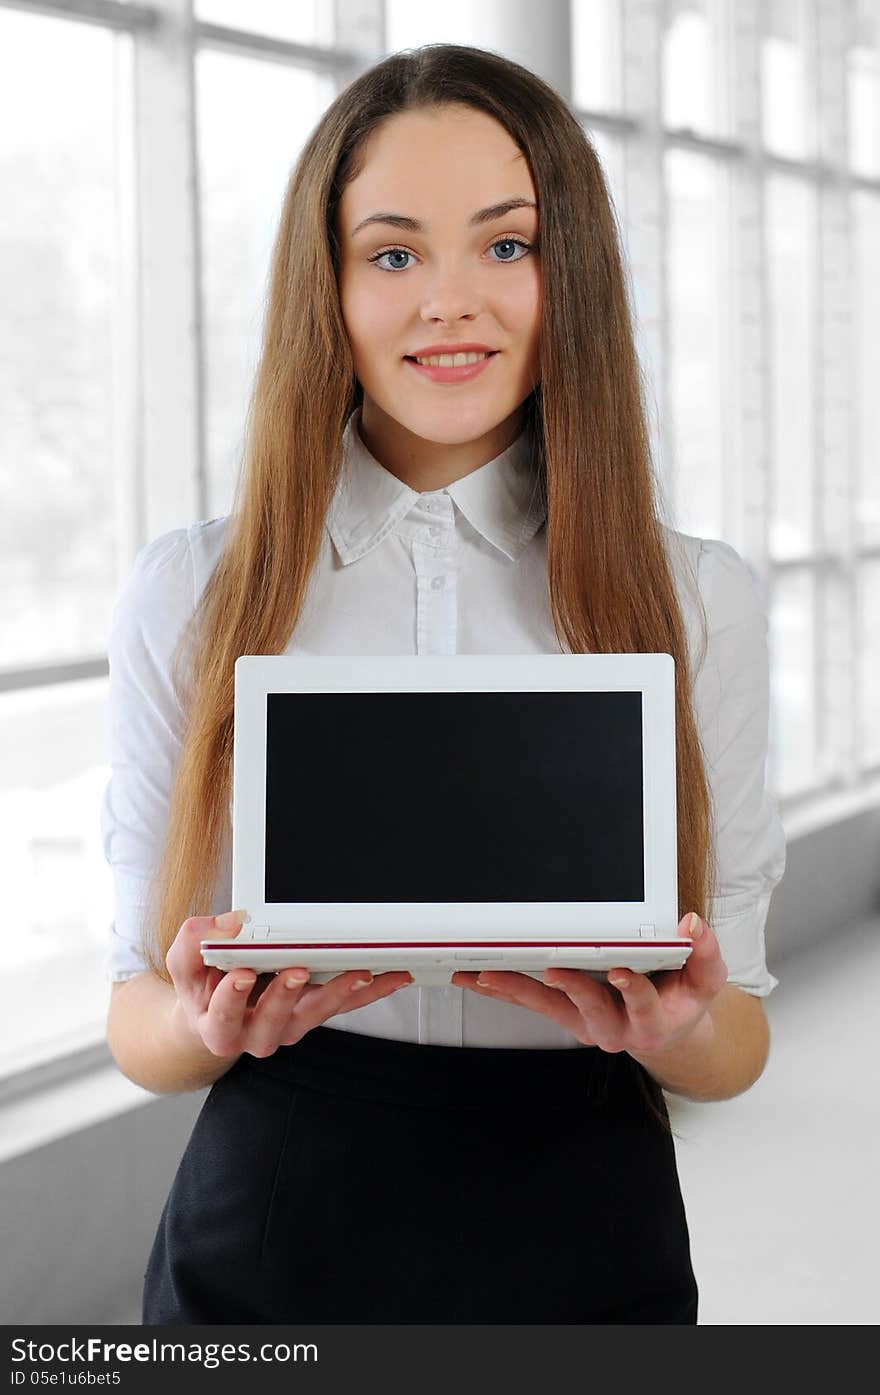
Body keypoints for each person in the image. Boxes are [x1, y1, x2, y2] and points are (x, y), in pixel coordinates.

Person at [103, 43, 786, 1325]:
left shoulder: (697, 597)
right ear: (332, 284)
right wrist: (199, 1024)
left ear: (565, 273)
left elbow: (734, 1042)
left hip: (587, 1202)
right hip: (276, 1208)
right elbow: (132, 1013)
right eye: (395, 253)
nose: (448, 302)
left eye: (507, 247)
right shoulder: (195, 590)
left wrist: (679, 1026)